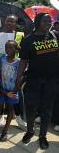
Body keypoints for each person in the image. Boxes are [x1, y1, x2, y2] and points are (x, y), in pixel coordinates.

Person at [15, 13, 59, 150]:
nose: (49, 23)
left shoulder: (56, 36)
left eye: (50, 21)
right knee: (31, 108)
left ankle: (43, 137)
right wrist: (19, 78)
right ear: (38, 22)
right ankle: (30, 130)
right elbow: (23, 61)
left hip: (52, 80)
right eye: (46, 21)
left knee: (47, 109)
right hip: (34, 80)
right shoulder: (28, 40)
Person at [0, 40, 20, 142]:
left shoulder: (19, 62)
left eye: (11, 47)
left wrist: (15, 91)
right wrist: (0, 88)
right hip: (2, 89)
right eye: (6, 47)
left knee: (10, 109)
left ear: (16, 49)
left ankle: (5, 131)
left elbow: (20, 77)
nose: (8, 49)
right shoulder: (2, 59)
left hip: (12, 91)